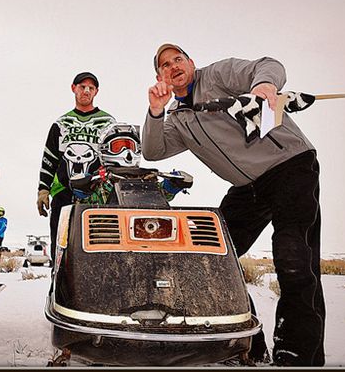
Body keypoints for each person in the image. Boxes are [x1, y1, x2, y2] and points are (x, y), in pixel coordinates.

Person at [142, 44, 324, 367]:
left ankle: (296, 357)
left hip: (290, 167)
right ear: (161, 78)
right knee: (208, 257)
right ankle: (246, 347)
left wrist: (264, 86)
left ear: (191, 63)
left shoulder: (218, 75)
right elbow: (153, 150)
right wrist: (156, 111)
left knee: (294, 260)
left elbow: (269, 64)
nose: (173, 66)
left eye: (178, 59)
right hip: (246, 188)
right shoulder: (178, 118)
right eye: (165, 66)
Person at [36, 72, 115, 259]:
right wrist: (43, 190)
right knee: (60, 246)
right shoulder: (61, 124)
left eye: (91, 88)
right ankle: (57, 286)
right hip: (63, 193)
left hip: (97, 195)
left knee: (96, 246)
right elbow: (49, 158)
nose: (86, 91)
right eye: (82, 86)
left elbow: (114, 159)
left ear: (96, 92)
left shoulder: (108, 123)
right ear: (74, 88)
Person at [70, 122, 191, 205]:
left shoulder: (146, 179)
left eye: (130, 147)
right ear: (105, 149)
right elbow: (84, 198)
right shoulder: (98, 180)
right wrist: (84, 185)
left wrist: (173, 184)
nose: (126, 152)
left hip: (144, 226)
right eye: (118, 147)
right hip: (106, 229)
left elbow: (162, 195)